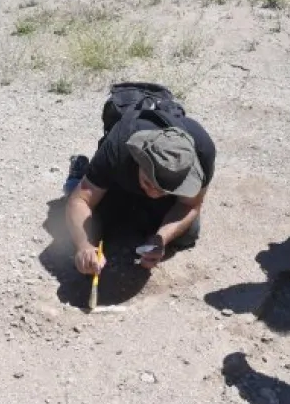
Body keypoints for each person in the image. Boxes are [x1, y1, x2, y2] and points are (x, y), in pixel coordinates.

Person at [64, 99, 216, 276]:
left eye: (164, 189)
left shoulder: (202, 153)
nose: (153, 193)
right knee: (86, 219)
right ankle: (80, 171)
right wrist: (84, 246)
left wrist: (161, 238)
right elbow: (82, 200)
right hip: (119, 182)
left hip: (144, 186)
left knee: (188, 234)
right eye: (148, 183)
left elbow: (191, 205)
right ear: (138, 160)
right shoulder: (119, 144)